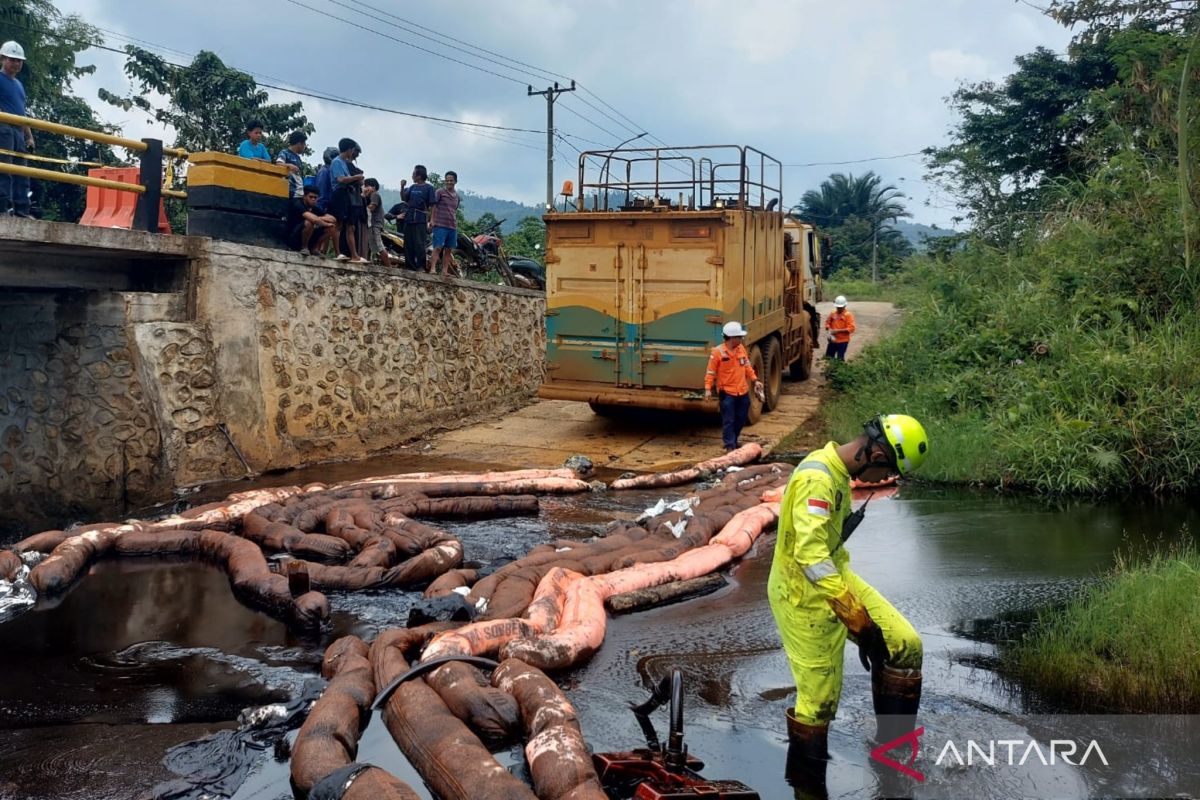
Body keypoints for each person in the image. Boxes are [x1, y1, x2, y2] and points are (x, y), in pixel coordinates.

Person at [767, 414, 929, 797]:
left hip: (835, 576)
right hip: (800, 592)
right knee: (818, 703)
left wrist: (863, 619)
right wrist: (857, 619)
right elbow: (809, 558)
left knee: (905, 645)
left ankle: (892, 753)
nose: (881, 480)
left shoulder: (838, 471)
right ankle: (807, 786)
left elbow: (827, 557)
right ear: (874, 452)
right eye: (886, 470)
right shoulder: (817, 479)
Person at [703, 321, 763, 451]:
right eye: (739, 337)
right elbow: (710, 372)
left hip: (742, 391)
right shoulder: (717, 352)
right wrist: (708, 389)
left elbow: (747, 366)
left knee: (741, 418)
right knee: (728, 421)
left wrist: (755, 380)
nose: (742, 339)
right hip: (727, 393)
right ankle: (729, 445)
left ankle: (734, 440)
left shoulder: (741, 349)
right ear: (732, 338)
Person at [0, 41, 34, 217]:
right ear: (3, 59)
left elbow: (22, 112)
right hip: (3, 128)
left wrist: (29, 136)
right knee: (4, 170)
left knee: (22, 172)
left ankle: (22, 211)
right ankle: (1, 209)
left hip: (18, 131)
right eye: (13, 60)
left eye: (19, 61)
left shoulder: (19, 85)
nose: (17, 63)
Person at [329, 137, 367, 263]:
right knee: (338, 223)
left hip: (345, 194)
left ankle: (354, 255)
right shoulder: (337, 162)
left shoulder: (344, 162)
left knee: (349, 226)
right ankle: (338, 252)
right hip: (339, 193)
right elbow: (340, 179)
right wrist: (355, 177)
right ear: (350, 150)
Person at [400, 164, 436, 272]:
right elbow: (404, 198)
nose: (412, 176)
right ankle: (409, 265)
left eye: (413, 173)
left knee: (419, 243)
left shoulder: (429, 188)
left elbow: (432, 205)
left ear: (419, 176)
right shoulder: (412, 187)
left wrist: (431, 220)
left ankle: (421, 266)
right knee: (408, 242)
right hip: (409, 217)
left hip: (420, 218)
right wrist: (402, 187)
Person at [286, 185, 336, 255]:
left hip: (309, 237)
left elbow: (333, 219)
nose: (313, 199)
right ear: (304, 196)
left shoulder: (314, 208)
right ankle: (304, 247)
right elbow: (313, 220)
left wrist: (318, 218)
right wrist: (325, 223)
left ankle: (314, 248)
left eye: (315, 197)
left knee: (332, 228)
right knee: (309, 222)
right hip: (293, 237)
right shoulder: (297, 204)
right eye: (311, 197)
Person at [431, 170, 461, 276]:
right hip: (440, 224)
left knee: (449, 249)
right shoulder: (439, 192)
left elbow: (454, 210)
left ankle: (444, 271)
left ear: (455, 181)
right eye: (447, 180)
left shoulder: (457, 196)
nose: (449, 182)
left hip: (452, 226)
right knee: (438, 247)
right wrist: (432, 220)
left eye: (451, 180)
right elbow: (433, 206)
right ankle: (433, 269)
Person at [362, 177, 391, 267]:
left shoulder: (375, 195)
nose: (365, 188)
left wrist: (363, 196)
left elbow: (372, 207)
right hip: (374, 224)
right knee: (370, 245)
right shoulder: (372, 196)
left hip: (375, 224)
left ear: (373, 187)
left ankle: (389, 267)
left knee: (379, 246)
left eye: (367, 186)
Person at [275, 130, 307, 199]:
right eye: (304, 144)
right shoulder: (284, 153)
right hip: (288, 191)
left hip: (298, 193)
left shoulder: (298, 158)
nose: (304, 146)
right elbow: (278, 163)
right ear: (299, 144)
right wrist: (289, 165)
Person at [824, 296, 856, 360]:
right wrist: (828, 329)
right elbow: (827, 322)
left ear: (844, 306)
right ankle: (831, 369)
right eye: (838, 307)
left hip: (843, 341)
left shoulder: (848, 315)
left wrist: (837, 331)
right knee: (829, 357)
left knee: (840, 359)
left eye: (840, 307)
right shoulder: (833, 313)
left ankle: (839, 370)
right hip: (833, 340)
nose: (839, 309)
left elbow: (851, 328)